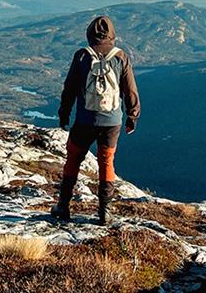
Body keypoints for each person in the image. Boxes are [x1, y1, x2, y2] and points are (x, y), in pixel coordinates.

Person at [51, 14, 140, 225]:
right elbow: (130, 90)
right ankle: (104, 213)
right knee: (106, 162)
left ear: (89, 33)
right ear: (112, 35)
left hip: (85, 120)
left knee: (73, 158)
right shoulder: (121, 56)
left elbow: (70, 88)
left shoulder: (82, 55)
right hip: (112, 121)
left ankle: (63, 206)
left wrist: (64, 114)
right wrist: (132, 116)